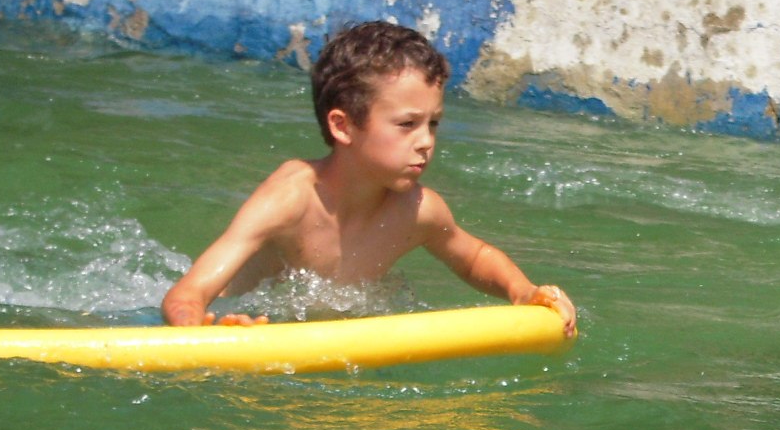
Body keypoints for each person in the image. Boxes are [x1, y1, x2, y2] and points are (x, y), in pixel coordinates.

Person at [161, 21, 577, 334]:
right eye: (407, 124)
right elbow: (187, 294)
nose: (426, 142)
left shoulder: (416, 210)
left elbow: (474, 257)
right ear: (343, 126)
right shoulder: (290, 198)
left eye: (433, 123)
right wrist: (201, 329)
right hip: (251, 317)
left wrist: (523, 292)